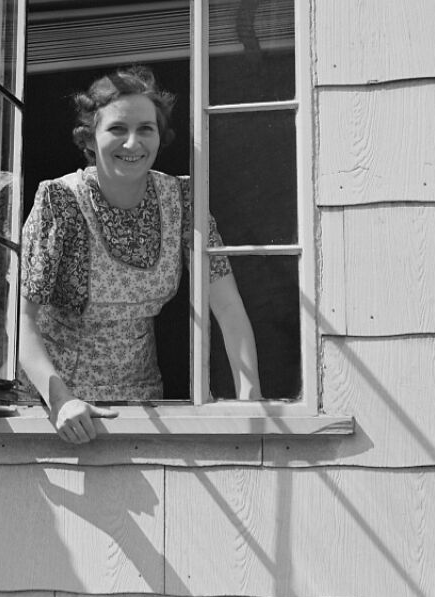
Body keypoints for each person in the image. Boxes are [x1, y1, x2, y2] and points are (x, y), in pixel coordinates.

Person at [19, 66, 261, 443]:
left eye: (145, 129)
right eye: (117, 129)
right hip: (56, 410)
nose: (132, 143)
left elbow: (228, 310)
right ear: (90, 137)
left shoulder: (183, 201)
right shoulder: (61, 201)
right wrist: (61, 401)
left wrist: (251, 403)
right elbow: (21, 324)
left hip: (141, 404)